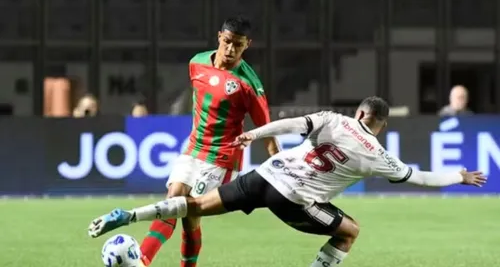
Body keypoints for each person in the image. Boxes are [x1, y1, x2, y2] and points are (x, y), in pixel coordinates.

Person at [88, 96, 486, 266]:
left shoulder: (334, 119)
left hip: (264, 174)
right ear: (378, 123)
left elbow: (294, 123)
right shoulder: (378, 154)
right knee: (350, 231)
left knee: (195, 206)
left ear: (360, 112)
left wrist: (255, 135)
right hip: (295, 198)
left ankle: (129, 215)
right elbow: (419, 177)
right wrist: (460, 176)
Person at [136, 15, 280, 267]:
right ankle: (141, 261)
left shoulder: (249, 84)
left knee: (188, 212)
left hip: (222, 158)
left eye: (238, 44)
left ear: (248, 44)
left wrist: (280, 167)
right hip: (193, 148)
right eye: (227, 41)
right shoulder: (197, 63)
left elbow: (266, 128)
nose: (231, 49)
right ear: (219, 37)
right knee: (173, 201)